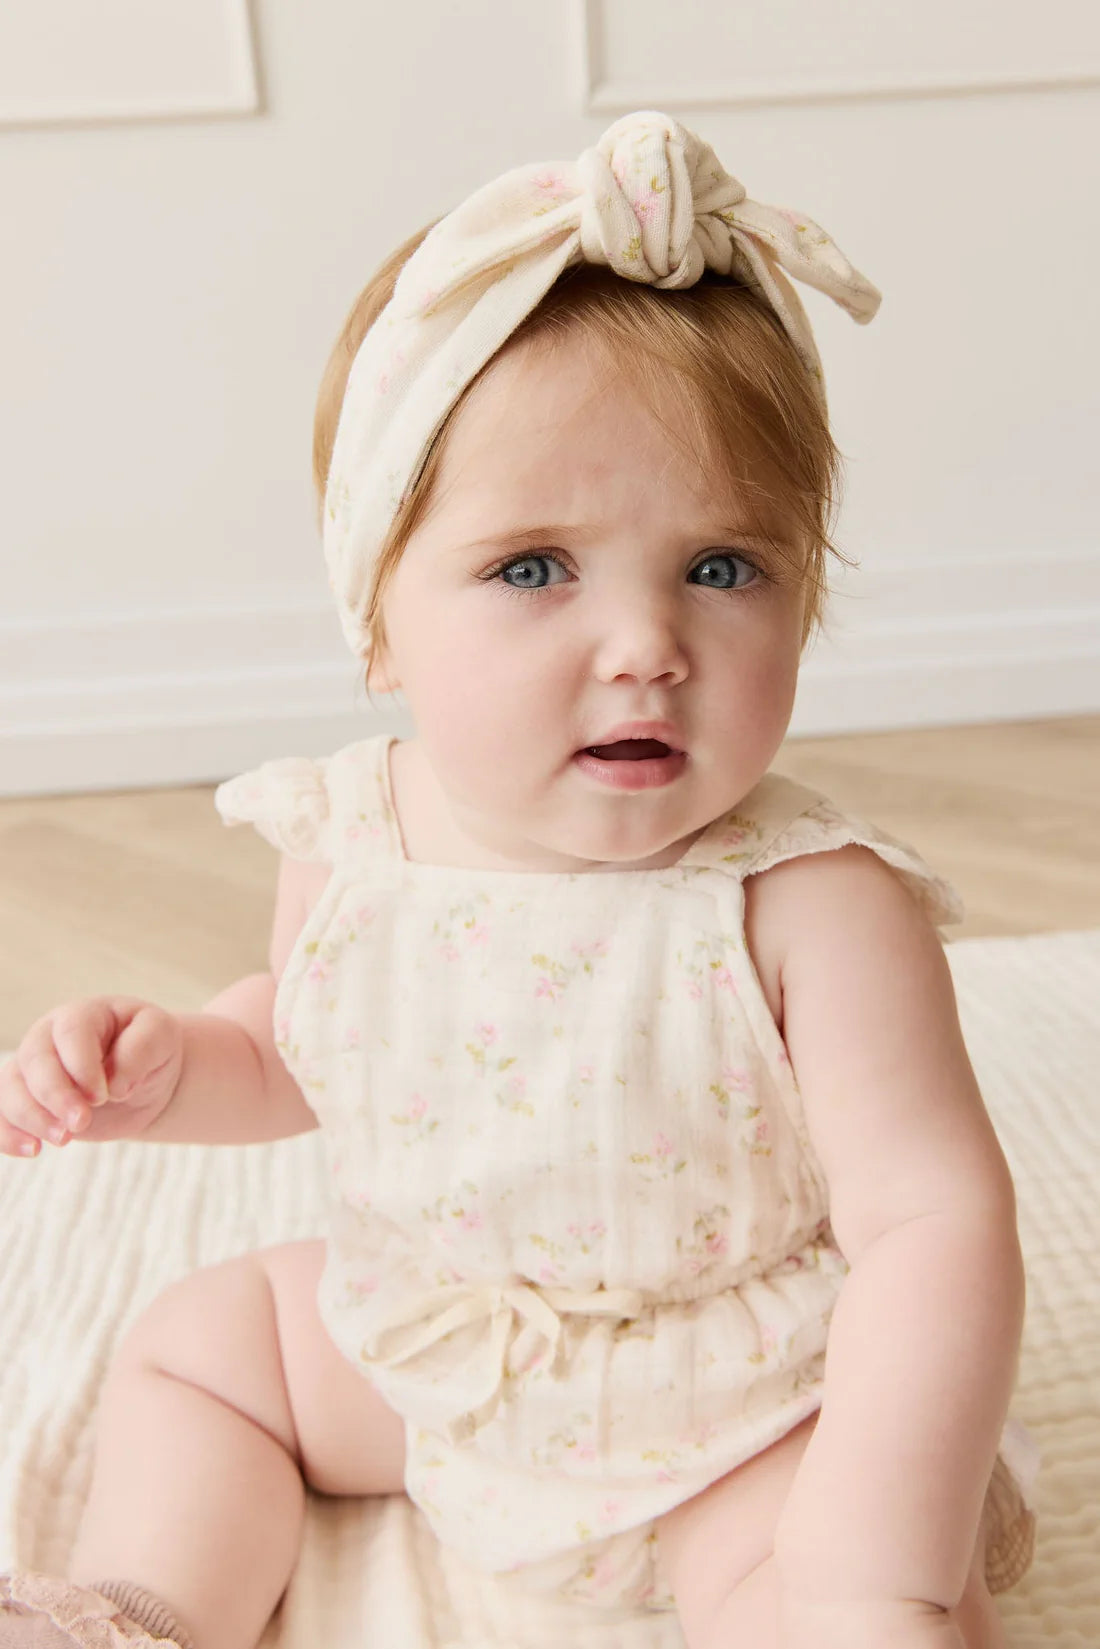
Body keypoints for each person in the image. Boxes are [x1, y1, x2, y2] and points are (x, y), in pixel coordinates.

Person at [0, 112, 1038, 1649]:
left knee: (843, 1578)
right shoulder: (351, 837)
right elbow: (310, 1041)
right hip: (448, 1357)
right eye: (534, 568)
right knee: (201, 1342)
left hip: (735, 1409)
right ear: (377, 617)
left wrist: (870, 1560)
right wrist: (182, 1067)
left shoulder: (814, 904)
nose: (646, 645)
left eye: (724, 567)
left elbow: (934, 1223)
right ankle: (141, 1608)